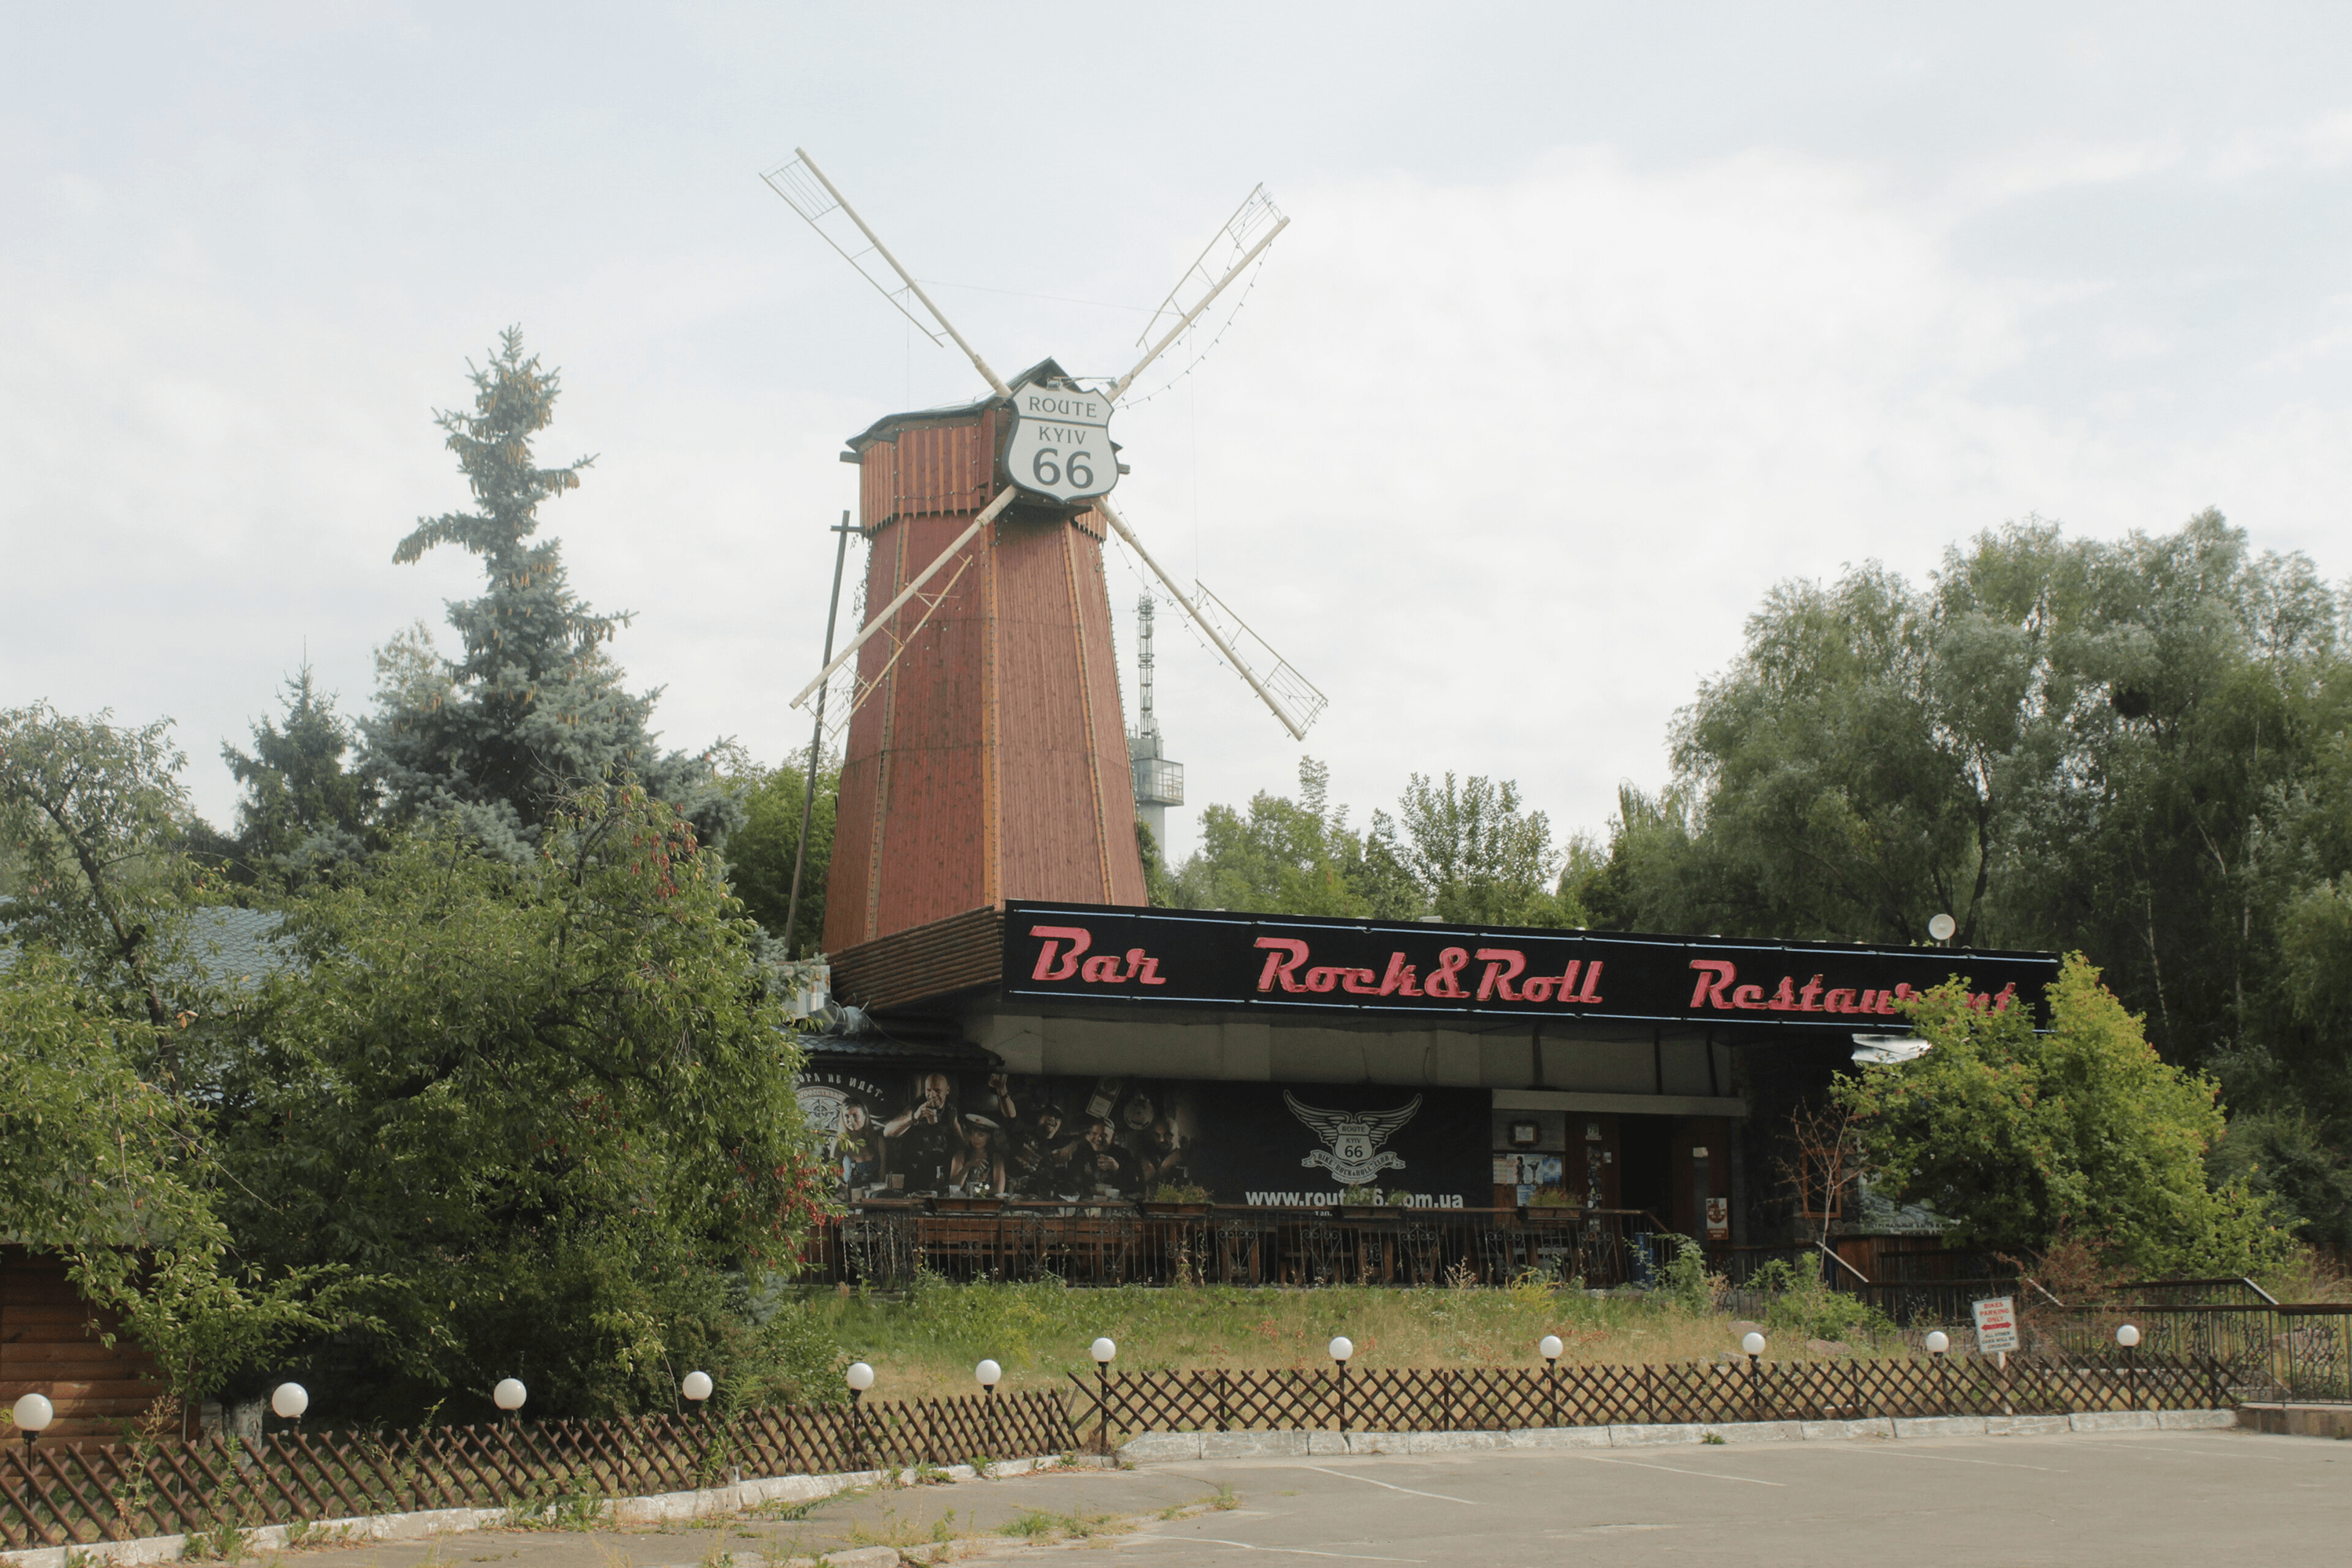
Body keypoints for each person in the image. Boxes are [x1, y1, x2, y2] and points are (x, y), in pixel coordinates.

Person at [883, 1072, 963, 1194]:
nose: (932, 1095)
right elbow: (887, 1132)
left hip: (939, 1180)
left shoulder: (951, 1110)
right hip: (912, 1177)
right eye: (929, 1090)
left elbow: (961, 1141)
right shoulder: (915, 1107)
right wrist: (914, 1118)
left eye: (937, 1090)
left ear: (947, 1090)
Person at [953, 1115, 1008, 1196]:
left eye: (981, 1135)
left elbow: (998, 1189)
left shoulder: (996, 1158)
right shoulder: (960, 1155)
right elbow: (954, 1188)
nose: (976, 1139)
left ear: (988, 1136)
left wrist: (974, 1191)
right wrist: (967, 1166)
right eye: (972, 1134)